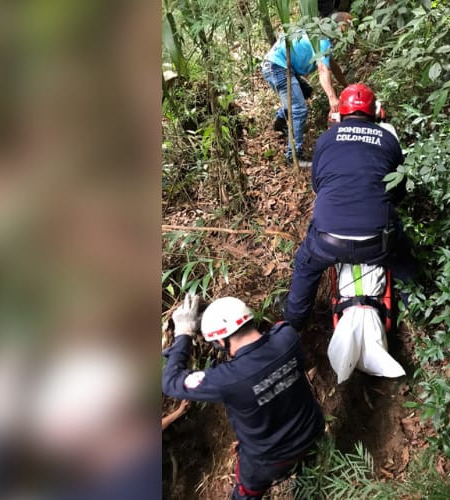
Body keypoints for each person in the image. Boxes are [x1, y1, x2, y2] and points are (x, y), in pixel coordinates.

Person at [284, 83, 418, 331]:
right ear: (375, 113)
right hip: (379, 242)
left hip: (327, 241)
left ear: (341, 114)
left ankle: (293, 324)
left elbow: (317, 184)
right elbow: (399, 190)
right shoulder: (388, 139)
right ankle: (419, 320)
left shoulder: (326, 139)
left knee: (305, 264)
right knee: (406, 264)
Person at [162, 293, 324, 499]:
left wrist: (184, 333)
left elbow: (170, 381)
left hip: (268, 462)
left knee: (246, 494)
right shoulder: (287, 338)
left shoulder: (228, 380)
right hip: (311, 430)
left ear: (220, 340)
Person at [261, 12, 351, 165]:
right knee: (299, 109)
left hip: (280, 66)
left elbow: (332, 65)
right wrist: (332, 97)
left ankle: (281, 119)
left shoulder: (317, 31)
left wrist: (346, 86)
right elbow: (323, 68)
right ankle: (293, 156)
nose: (348, 31)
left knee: (306, 91)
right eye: (348, 26)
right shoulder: (322, 40)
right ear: (340, 26)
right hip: (278, 67)